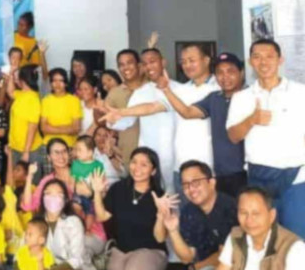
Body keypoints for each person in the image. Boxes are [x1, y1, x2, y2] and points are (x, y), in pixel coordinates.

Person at [225, 39, 305, 241]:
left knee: (296, 243)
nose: (263, 62)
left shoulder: (302, 93)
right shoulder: (241, 97)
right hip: (258, 179)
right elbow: (233, 136)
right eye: (257, 57)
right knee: (263, 242)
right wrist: (252, 120)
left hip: (296, 180)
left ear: (280, 60)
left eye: (270, 56)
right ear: (250, 62)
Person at [158, 52, 247, 198]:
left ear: (241, 72)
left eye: (230, 71)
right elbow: (187, 112)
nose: (225, 76)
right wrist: (166, 90)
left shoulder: (251, 96)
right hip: (220, 173)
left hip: (246, 171)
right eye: (220, 72)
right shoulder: (214, 98)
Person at [164, 160, 238, 270]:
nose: (191, 189)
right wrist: (172, 230)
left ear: (211, 182)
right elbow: (187, 256)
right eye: (186, 185)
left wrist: (195, 268)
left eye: (196, 182)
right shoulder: (189, 212)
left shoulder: (230, 208)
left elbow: (224, 256)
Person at [91, 147, 168, 270]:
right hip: (122, 251)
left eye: (144, 164)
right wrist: (97, 193)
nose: (137, 167)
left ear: (153, 171)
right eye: (134, 162)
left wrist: (161, 215)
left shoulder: (159, 197)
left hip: (151, 251)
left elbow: (160, 238)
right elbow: (102, 216)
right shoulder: (118, 189)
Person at [103, 48, 176, 186]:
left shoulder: (179, 88)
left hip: (174, 156)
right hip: (144, 159)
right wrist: (112, 120)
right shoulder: (140, 93)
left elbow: (154, 107)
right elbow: (127, 121)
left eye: (152, 62)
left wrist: (121, 112)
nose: (149, 66)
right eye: (146, 63)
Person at [102, 49, 143, 168]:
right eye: (121, 65)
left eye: (129, 63)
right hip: (128, 154)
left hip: (155, 153)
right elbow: (107, 122)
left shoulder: (151, 88)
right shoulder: (114, 93)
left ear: (139, 65)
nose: (126, 67)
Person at [6, 65, 43, 168]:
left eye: (17, 77)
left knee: (30, 178)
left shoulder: (33, 99)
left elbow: (32, 127)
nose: (16, 80)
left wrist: (26, 152)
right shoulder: (21, 94)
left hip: (30, 150)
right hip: (15, 147)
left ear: (23, 79)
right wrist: (11, 74)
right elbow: (10, 92)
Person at [41, 68, 83, 148]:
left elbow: (76, 128)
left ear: (66, 83)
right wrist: (67, 128)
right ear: (51, 83)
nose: (57, 84)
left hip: (69, 145)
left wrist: (52, 128)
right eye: (54, 81)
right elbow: (44, 128)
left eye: (61, 81)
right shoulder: (45, 101)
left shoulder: (74, 100)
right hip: (49, 144)